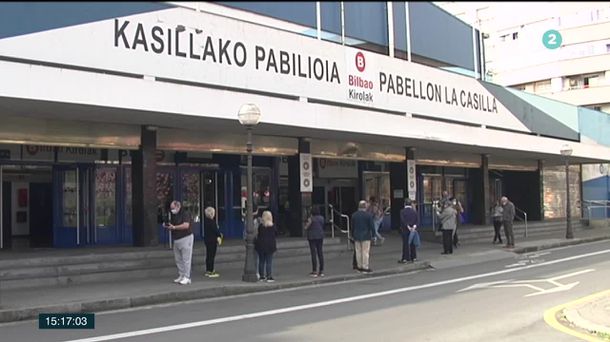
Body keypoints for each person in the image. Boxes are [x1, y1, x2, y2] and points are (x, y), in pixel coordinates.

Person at [164, 200, 193, 285]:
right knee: (178, 259)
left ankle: (187, 277)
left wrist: (174, 227)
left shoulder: (185, 213)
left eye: (173, 208)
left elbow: (186, 225)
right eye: (171, 208)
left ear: (178, 206)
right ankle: (182, 275)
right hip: (176, 239)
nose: (172, 210)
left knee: (186, 259)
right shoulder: (173, 215)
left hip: (186, 237)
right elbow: (172, 224)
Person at [351, 200, 375, 273]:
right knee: (365, 252)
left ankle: (359, 266)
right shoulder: (368, 215)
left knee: (358, 251)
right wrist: (373, 235)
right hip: (366, 236)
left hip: (356, 235)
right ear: (365, 207)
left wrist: (352, 235)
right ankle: (365, 266)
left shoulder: (354, 215)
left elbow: (352, 226)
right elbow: (372, 226)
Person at [254, 210, 278, 282]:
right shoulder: (273, 226)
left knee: (261, 261)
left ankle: (262, 276)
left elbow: (258, 234)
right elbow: (276, 234)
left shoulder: (261, 226)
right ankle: (269, 276)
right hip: (270, 246)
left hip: (261, 245)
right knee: (269, 261)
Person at [305, 206, 325, 277]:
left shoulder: (311, 219)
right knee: (320, 253)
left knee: (313, 253)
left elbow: (306, 227)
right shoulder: (322, 218)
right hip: (320, 236)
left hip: (312, 237)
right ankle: (321, 270)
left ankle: (314, 271)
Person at [203, 207, 222, 278]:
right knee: (211, 256)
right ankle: (211, 271)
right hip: (212, 241)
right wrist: (219, 234)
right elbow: (216, 231)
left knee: (208, 255)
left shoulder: (206, 221)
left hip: (207, 240)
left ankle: (208, 270)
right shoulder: (212, 222)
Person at [398, 198, 419, 263]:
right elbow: (417, 220)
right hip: (413, 230)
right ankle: (414, 257)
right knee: (413, 243)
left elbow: (402, 220)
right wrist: (413, 227)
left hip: (405, 230)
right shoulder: (414, 211)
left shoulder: (402, 211)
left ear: (405, 203)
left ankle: (405, 258)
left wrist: (408, 226)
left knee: (406, 243)